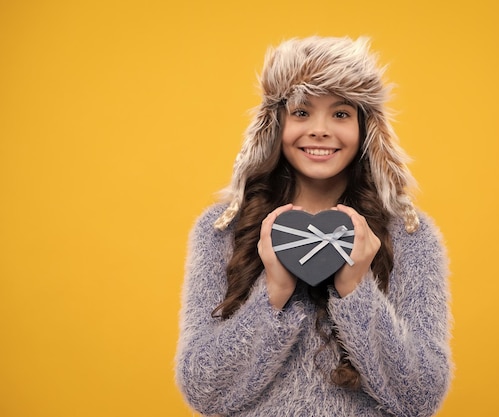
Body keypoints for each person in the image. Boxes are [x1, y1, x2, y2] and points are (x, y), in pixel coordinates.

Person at [175, 36, 452, 417]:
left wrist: (356, 290)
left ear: (366, 129)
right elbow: (204, 392)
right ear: (275, 124)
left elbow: (419, 399)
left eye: (340, 114)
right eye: (302, 112)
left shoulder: (410, 237)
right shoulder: (221, 230)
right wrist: (275, 293)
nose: (320, 130)